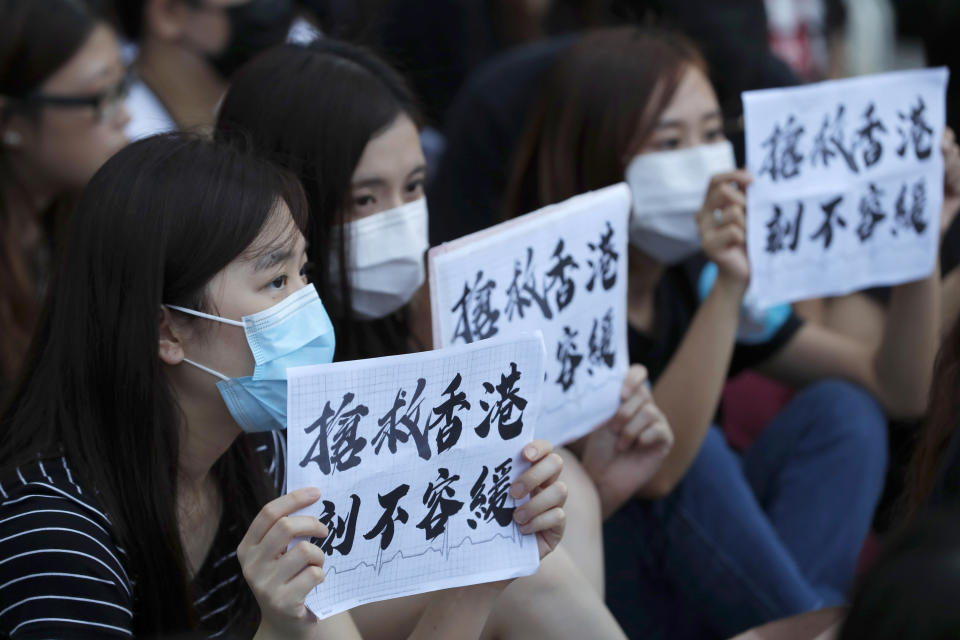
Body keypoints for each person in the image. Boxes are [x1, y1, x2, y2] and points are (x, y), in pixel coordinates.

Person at [0, 133, 567, 638]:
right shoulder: (53, 536)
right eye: (275, 280)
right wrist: (276, 631)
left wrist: (487, 566)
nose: (306, 305)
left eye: (304, 273)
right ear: (166, 329)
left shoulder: (260, 449)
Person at [215, 39, 672, 639]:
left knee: (570, 492)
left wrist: (595, 487)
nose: (399, 217)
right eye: (364, 199)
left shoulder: (420, 319)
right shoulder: (251, 354)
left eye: (413, 186)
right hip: (281, 615)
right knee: (531, 570)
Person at [505, 26, 942, 639]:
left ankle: (804, 621)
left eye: (712, 134)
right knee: (698, 455)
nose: (703, 158)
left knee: (843, 413)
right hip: (614, 585)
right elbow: (657, 472)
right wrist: (731, 286)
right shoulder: (542, 293)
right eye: (669, 140)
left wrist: (916, 235)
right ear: (597, 153)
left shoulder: (698, 273)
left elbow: (896, 387)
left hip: (708, 567)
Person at [0, 0, 130, 393]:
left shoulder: (79, 222)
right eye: (99, 99)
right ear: (10, 123)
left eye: (123, 88)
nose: (123, 115)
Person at [112, 0, 295, 139]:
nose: (268, 12)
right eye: (246, 6)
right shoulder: (122, 135)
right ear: (169, 13)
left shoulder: (258, 114)